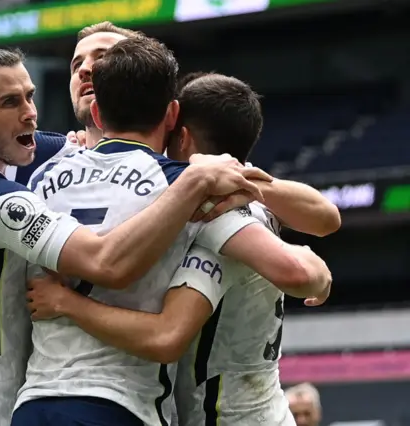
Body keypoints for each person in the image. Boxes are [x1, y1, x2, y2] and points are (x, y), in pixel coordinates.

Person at [0, 30, 268, 426]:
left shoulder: (6, 166)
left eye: (30, 95)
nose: (30, 113)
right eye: (10, 102)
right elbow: (105, 262)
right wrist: (195, 182)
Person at [25, 73, 336, 426]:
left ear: (181, 135)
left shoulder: (214, 212)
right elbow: (326, 220)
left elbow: (166, 335)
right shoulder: (225, 196)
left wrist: (66, 304)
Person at [8, 36, 272, 426]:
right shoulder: (186, 184)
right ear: (172, 115)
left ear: (96, 113)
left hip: (34, 402)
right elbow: (302, 264)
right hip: (120, 403)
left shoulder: (39, 174)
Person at [0, 21, 341, 237]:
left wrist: (253, 188)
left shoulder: (184, 163)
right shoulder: (44, 151)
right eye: (77, 63)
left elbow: (323, 217)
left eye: (102, 60)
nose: (86, 70)